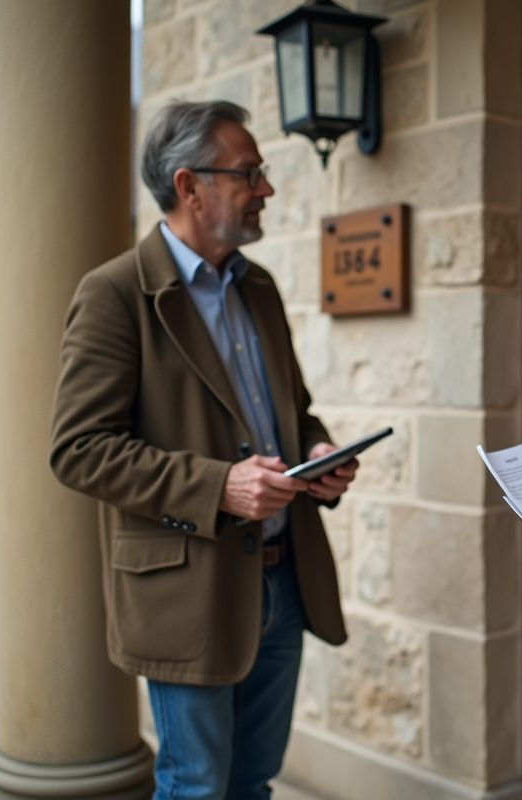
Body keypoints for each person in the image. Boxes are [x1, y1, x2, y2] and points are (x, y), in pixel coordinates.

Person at [49, 100, 354, 800]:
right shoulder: (113, 294)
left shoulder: (260, 288)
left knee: (253, 783)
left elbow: (293, 413)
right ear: (189, 186)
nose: (265, 188)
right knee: (196, 788)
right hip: (188, 592)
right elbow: (79, 449)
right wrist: (219, 487)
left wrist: (319, 452)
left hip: (284, 578)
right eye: (249, 172)